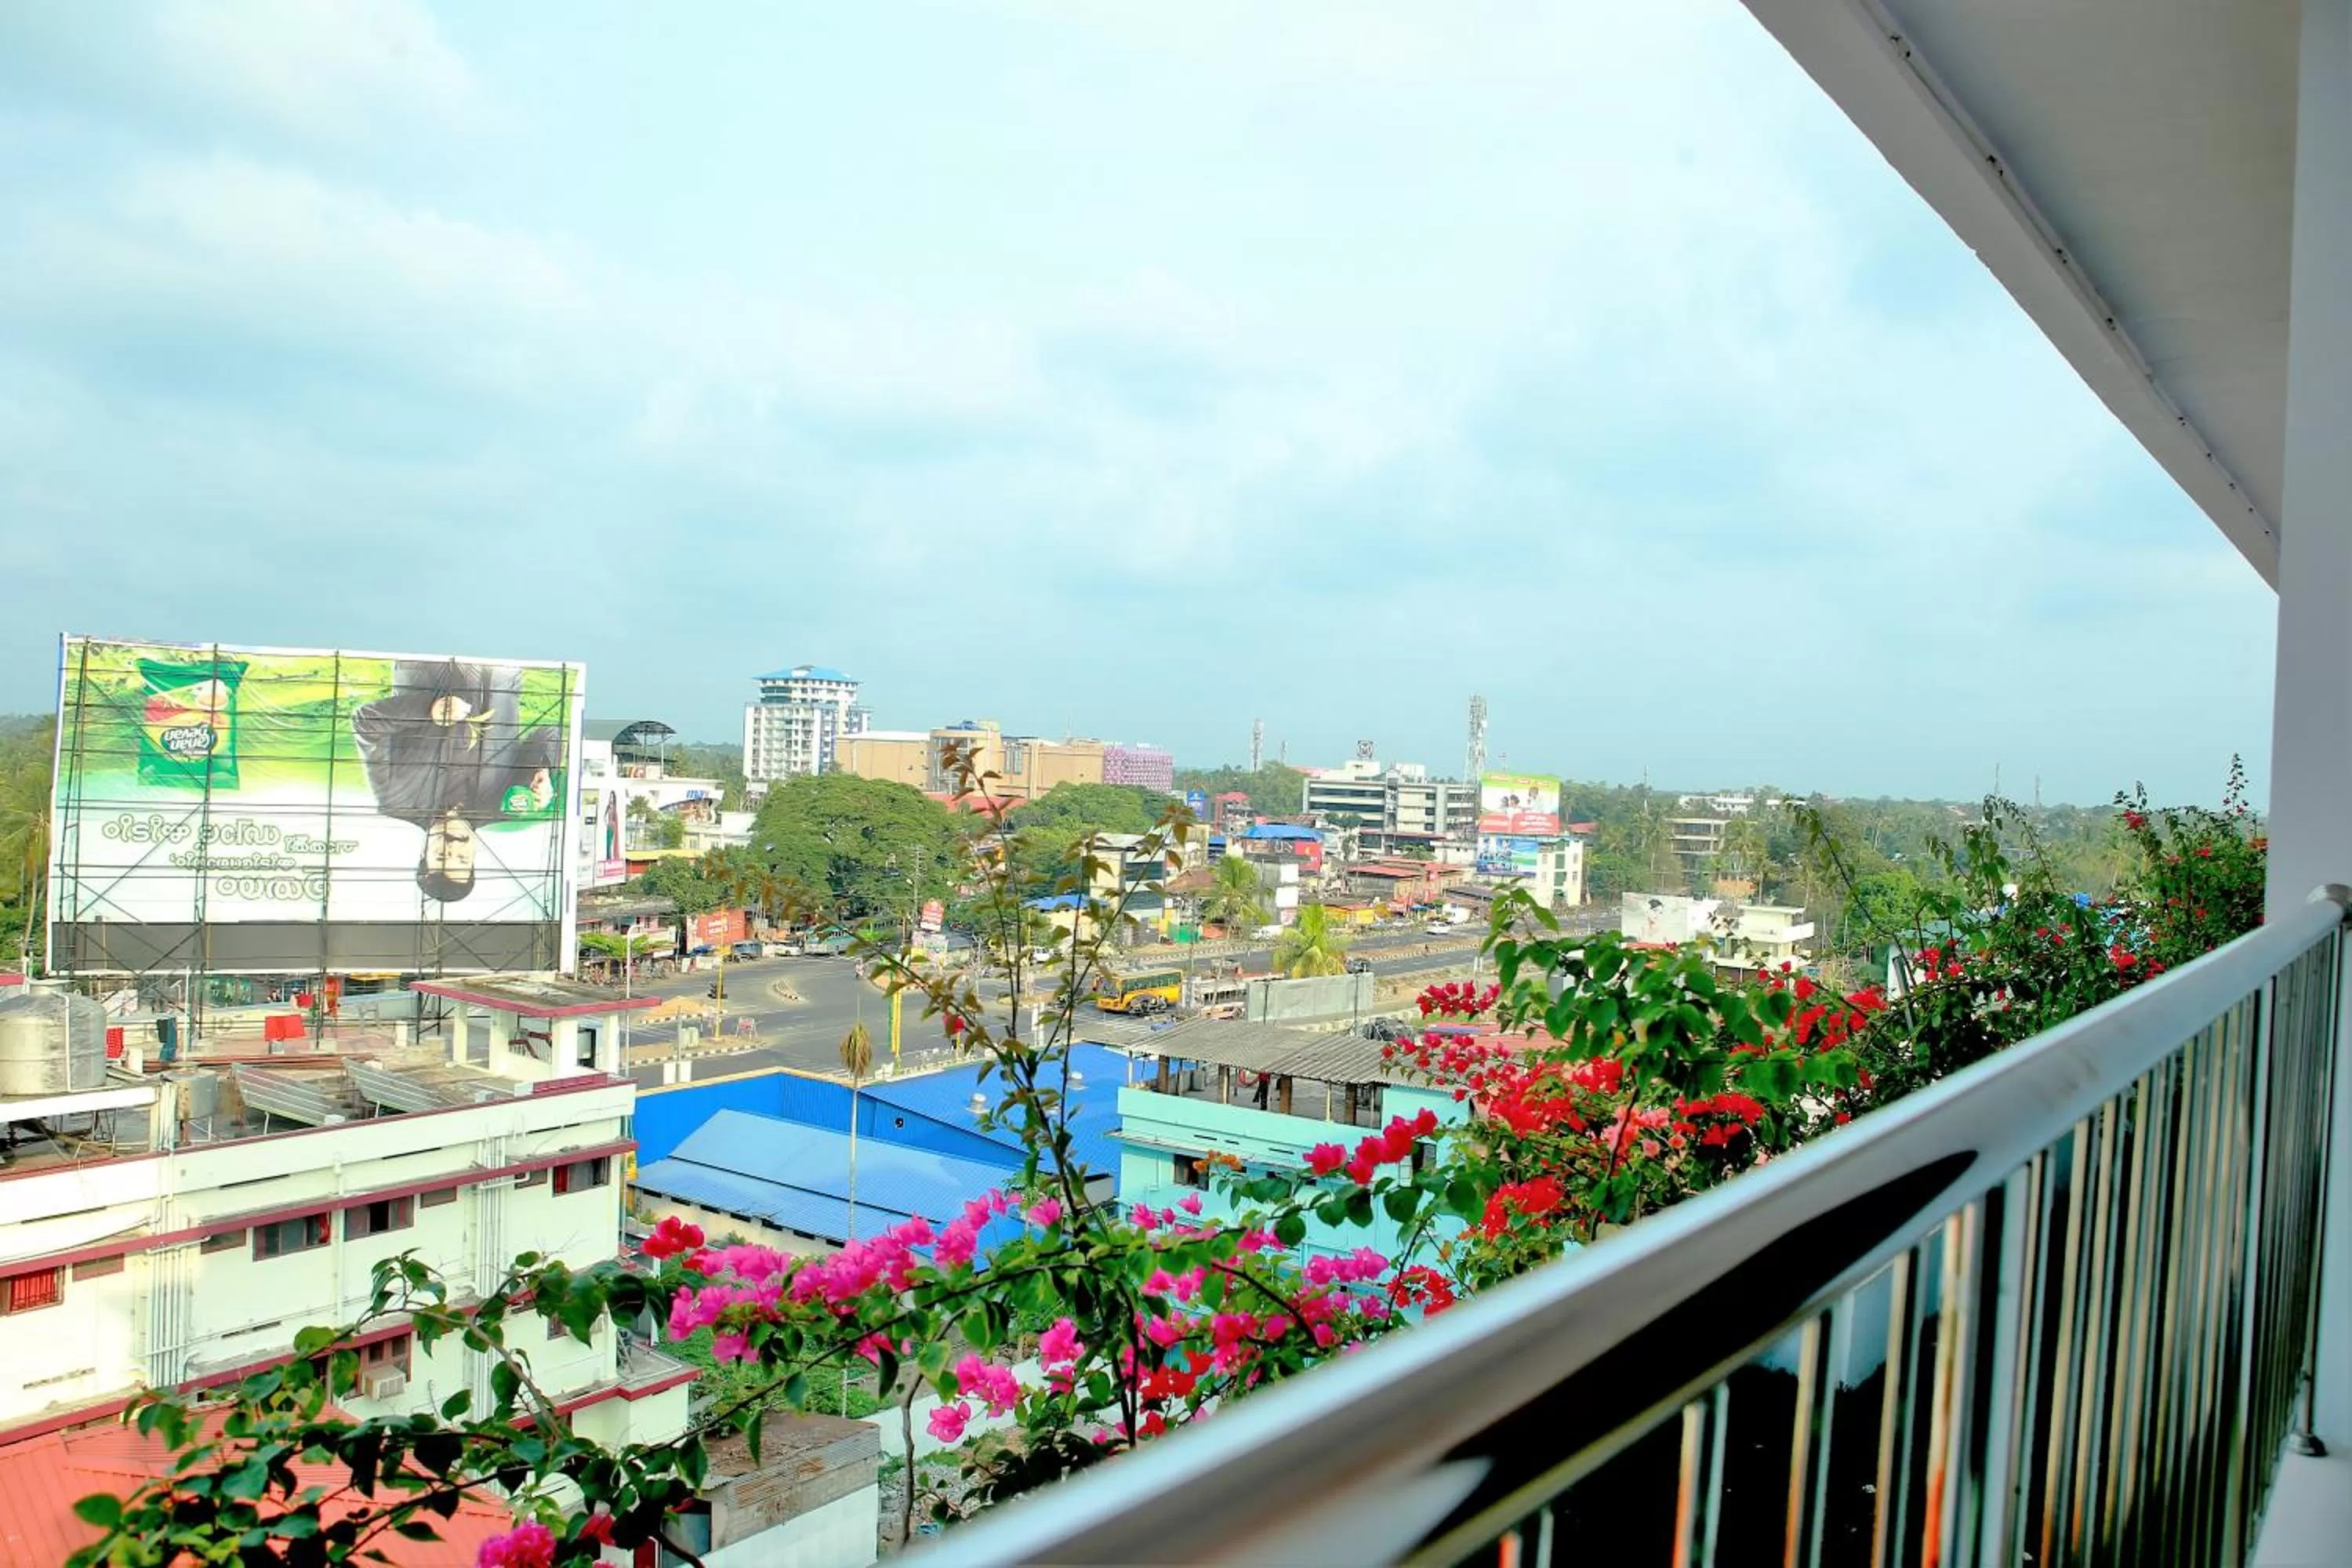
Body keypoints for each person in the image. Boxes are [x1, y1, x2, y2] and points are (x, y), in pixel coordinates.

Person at [351, 659, 562, 905]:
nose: (454, 846)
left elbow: (365, 723)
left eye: (442, 855)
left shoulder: (394, 800)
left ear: (423, 853)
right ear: (474, 857)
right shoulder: (508, 805)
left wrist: (428, 712)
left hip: (428, 657)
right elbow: (548, 733)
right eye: (461, 859)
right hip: (502, 665)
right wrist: (544, 768)